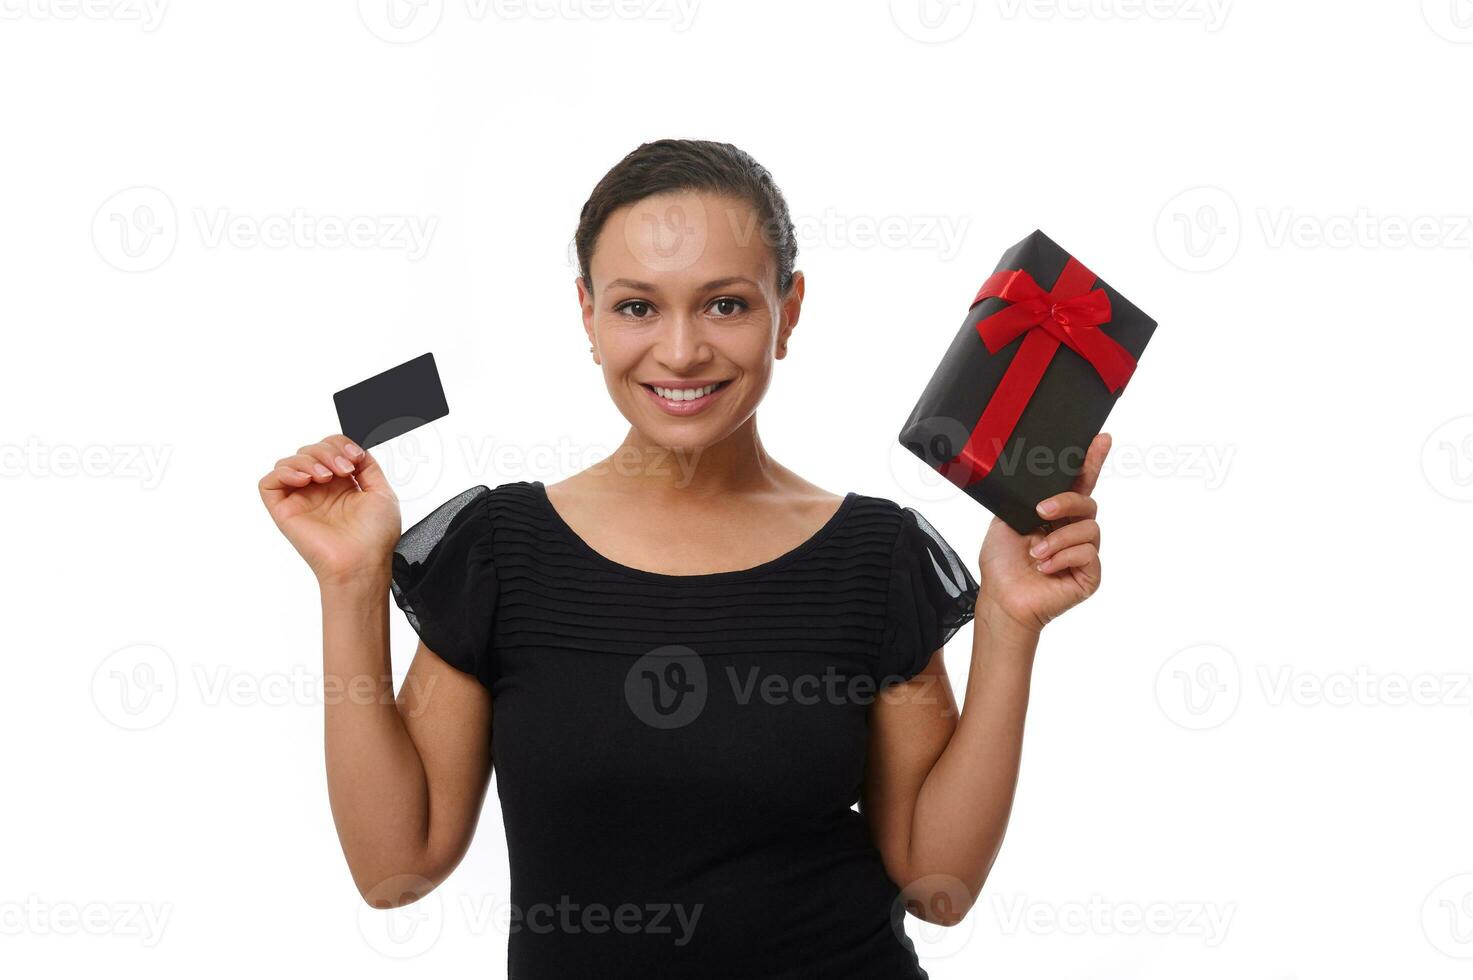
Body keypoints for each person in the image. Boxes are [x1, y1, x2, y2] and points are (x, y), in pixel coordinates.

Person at [257, 138, 1109, 979]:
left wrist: (1005, 623)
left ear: (790, 309)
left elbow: (939, 887)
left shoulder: (871, 555)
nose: (679, 351)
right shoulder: (499, 552)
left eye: (725, 305)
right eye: (636, 307)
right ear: (586, 315)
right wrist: (350, 579)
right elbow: (391, 869)